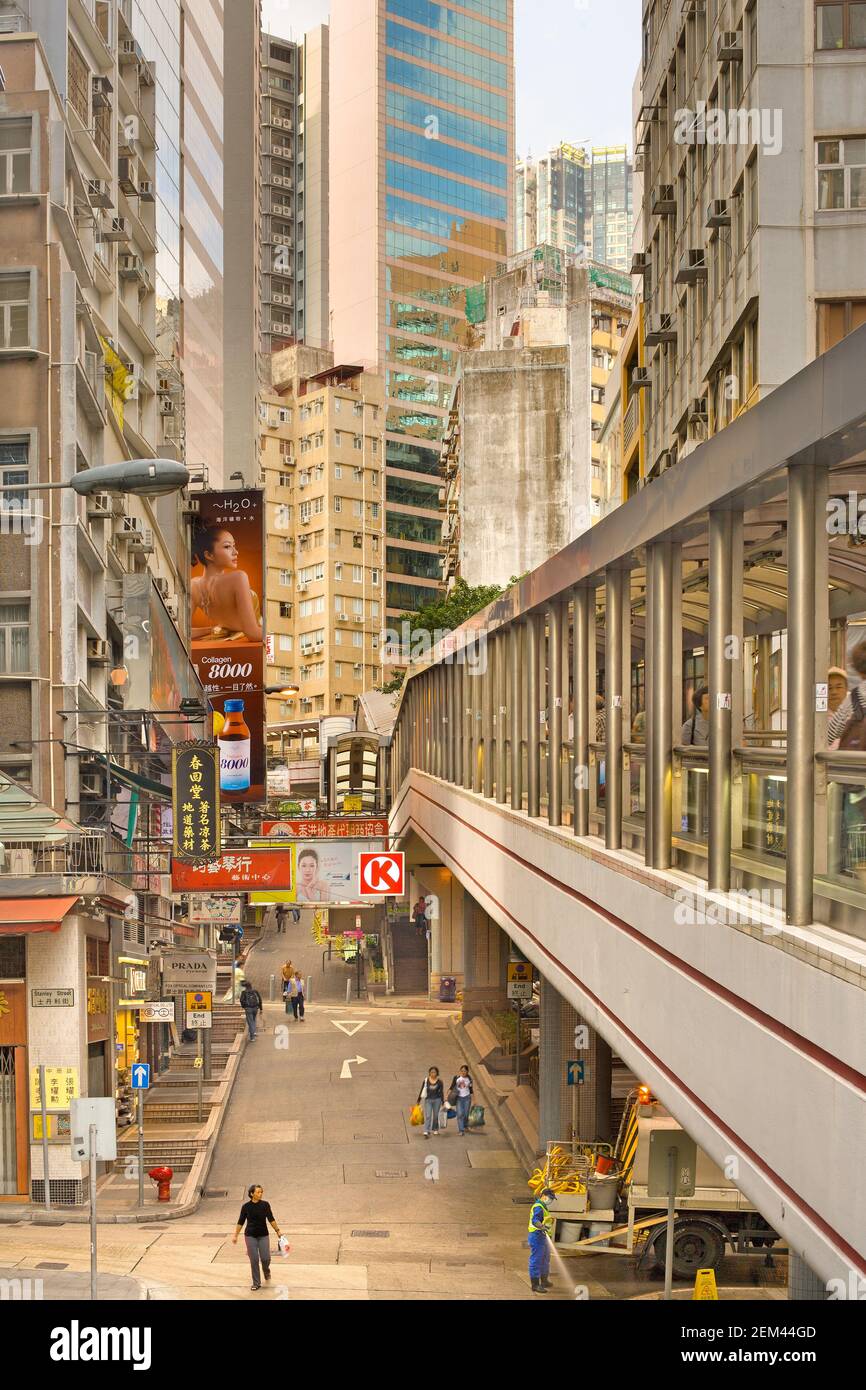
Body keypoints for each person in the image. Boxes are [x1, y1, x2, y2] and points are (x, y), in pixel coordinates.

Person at [191, 525, 262, 643]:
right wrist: (281, 635)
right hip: (248, 642)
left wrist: (214, 630)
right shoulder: (238, 578)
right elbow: (253, 633)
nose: (236, 552)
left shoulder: (193, 585)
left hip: (224, 642)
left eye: (234, 546)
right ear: (209, 555)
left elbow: (182, 631)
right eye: (227, 546)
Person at [233, 1184, 284, 1291]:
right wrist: (235, 1235)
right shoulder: (246, 1207)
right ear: (252, 1194)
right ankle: (256, 1283)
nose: (260, 1194)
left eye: (261, 1192)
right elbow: (240, 1222)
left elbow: (271, 1219)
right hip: (250, 1236)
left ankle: (266, 1270)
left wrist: (278, 1231)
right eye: (258, 1192)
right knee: (254, 1259)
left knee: (266, 1258)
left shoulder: (265, 1205)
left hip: (263, 1235)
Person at [527, 1187, 556, 1294]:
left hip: (543, 1237)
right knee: (536, 1259)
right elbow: (535, 1220)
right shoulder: (538, 1207)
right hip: (537, 1236)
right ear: (543, 1196)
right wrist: (541, 1226)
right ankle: (535, 1284)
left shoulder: (543, 1206)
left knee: (545, 1258)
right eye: (550, 1198)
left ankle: (544, 1280)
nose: (551, 1200)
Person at [417, 1066, 444, 1138]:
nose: (433, 1074)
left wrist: (443, 1101)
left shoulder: (440, 1082)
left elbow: (441, 1092)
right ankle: (426, 1130)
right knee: (428, 1116)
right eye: (431, 1072)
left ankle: (435, 1129)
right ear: (429, 1073)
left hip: (437, 1100)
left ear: (437, 1073)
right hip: (428, 1100)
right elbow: (422, 1090)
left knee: (435, 1116)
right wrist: (418, 1100)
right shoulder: (426, 1080)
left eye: (434, 1072)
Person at [449, 1064, 473, 1137]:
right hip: (459, 1098)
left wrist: (474, 1100)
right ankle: (461, 1130)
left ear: (467, 1072)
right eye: (462, 1071)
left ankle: (465, 1125)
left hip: (467, 1098)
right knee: (459, 1114)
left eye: (465, 1071)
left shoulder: (469, 1079)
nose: (463, 1072)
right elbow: (451, 1087)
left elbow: (471, 1090)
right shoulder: (456, 1078)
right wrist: (447, 1096)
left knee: (465, 1114)